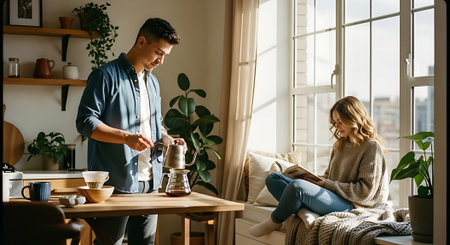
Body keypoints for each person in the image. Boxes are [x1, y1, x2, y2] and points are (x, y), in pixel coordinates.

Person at [76, 17, 185, 245]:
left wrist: (168, 140)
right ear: (141, 41)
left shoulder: (153, 83)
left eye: (165, 55)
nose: (161, 61)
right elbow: (85, 122)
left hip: (151, 183)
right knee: (109, 243)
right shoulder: (104, 76)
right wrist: (126, 138)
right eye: (158, 52)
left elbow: (156, 126)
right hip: (116, 183)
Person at [248, 96, 389, 237]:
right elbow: (330, 176)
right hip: (334, 196)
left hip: (353, 204)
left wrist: (325, 184)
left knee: (297, 188)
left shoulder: (371, 147)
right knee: (273, 179)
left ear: (353, 118)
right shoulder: (340, 145)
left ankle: (274, 221)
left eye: (340, 121)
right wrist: (312, 178)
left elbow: (365, 192)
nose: (336, 126)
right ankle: (303, 211)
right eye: (334, 122)